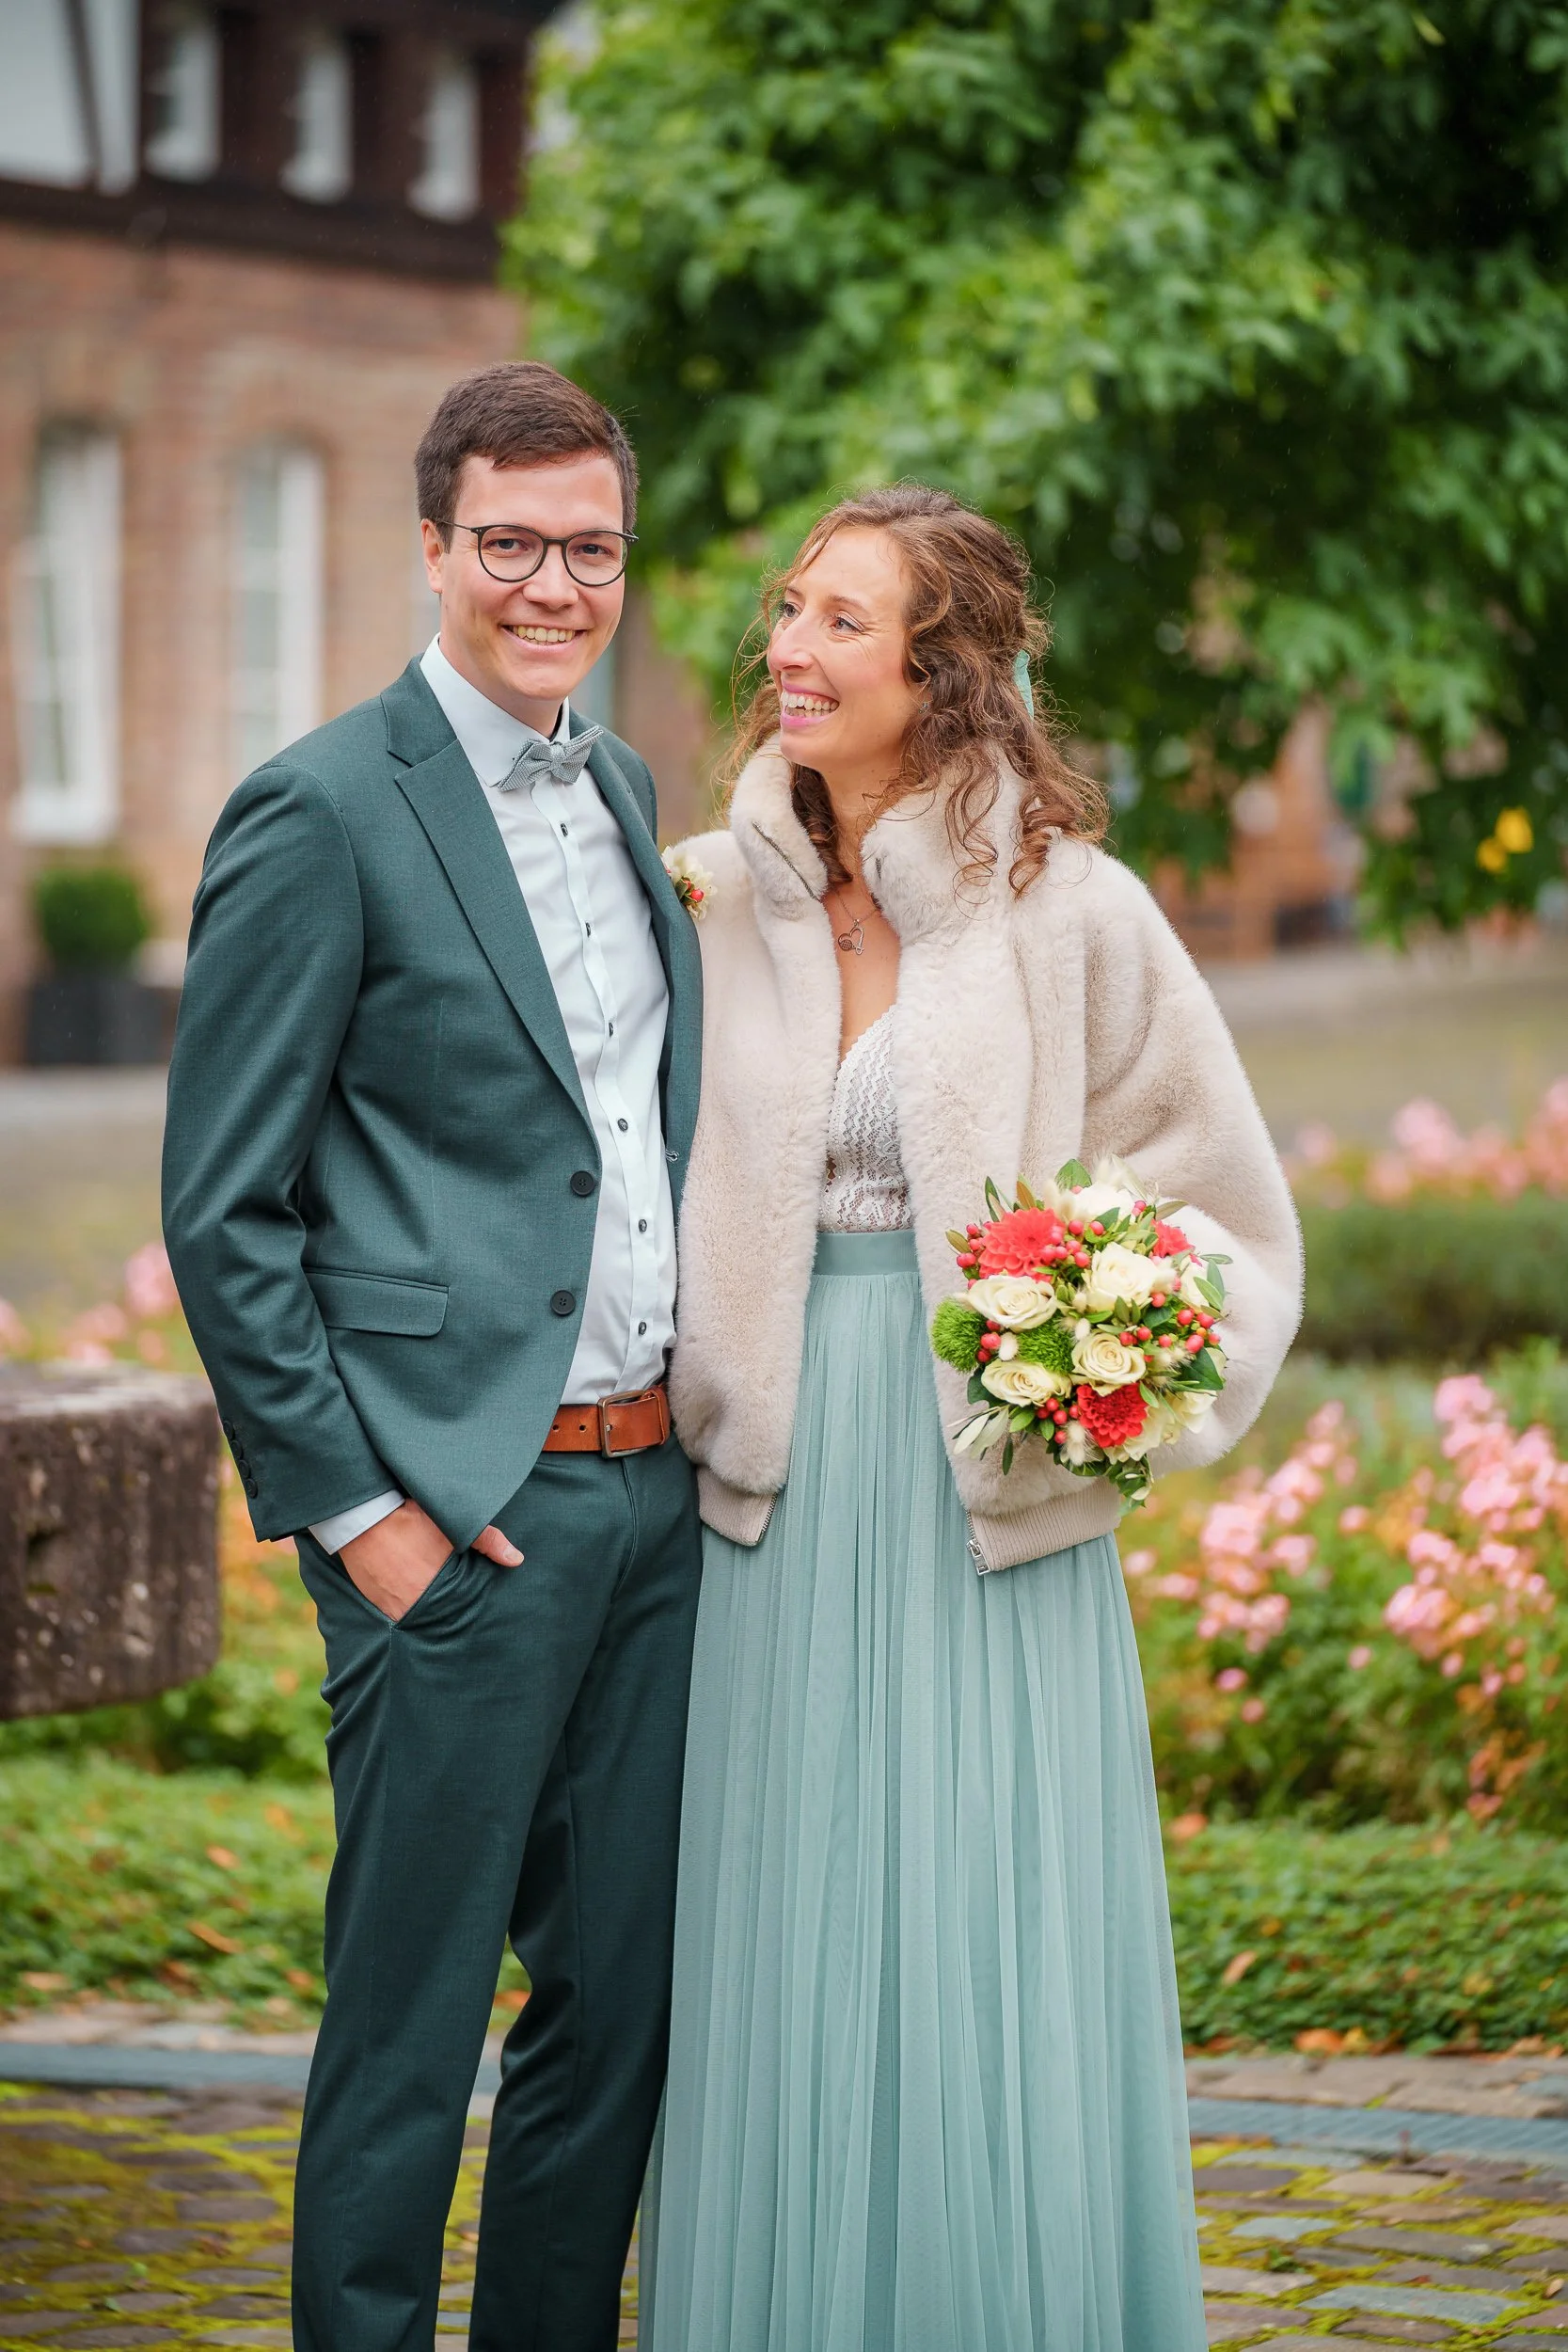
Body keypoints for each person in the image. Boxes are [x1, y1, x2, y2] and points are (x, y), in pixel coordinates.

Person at [643, 484, 1303, 2351]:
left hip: (985, 1502)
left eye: (841, 620)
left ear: (938, 672)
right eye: (786, 607)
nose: (788, 645)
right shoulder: (705, 895)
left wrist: (1104, 1355)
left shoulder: (1065, 904)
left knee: (980, 1941)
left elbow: (1214, 1198)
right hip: (759, 1508)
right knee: (780, 1945)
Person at [161, 361, 704, 2352]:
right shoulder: (317, 807)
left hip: (648, 1502)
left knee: (614, 2015)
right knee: (404, 2033)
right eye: (511, 543)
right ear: (434, 546)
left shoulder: (632, 784)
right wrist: (360, 1512)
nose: (553, 584)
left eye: (590, 548)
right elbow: (226, 1208)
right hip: (452, 1522)